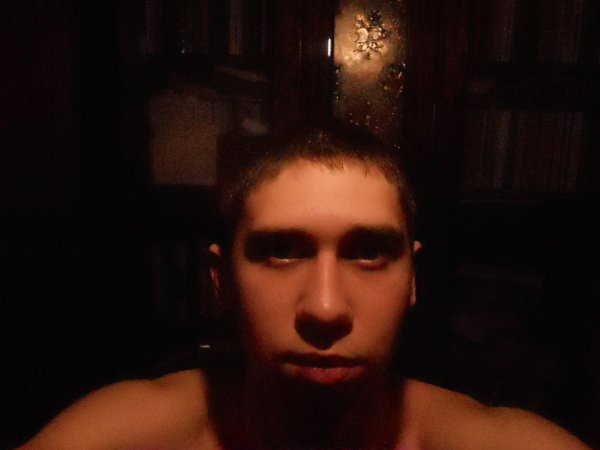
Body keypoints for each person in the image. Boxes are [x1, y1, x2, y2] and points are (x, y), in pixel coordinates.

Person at [19, 125, 590, 449]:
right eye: (282, 251)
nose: (325, 307)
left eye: (369, 253)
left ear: (413, 279)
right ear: (222, 281)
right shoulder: (127, 434)